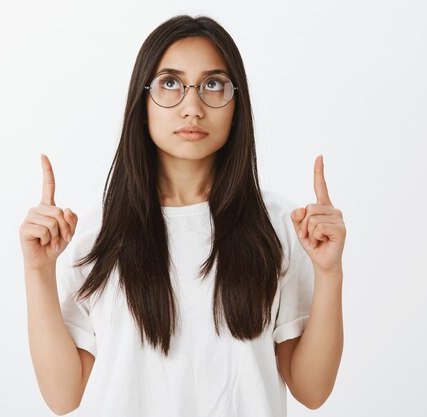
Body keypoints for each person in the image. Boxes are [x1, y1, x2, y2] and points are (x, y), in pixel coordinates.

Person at [19, 14, 346, 417]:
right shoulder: (94, 233)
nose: (192, 107)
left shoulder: (278, 225)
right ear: (142, 103)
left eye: (213, 84)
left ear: (236, 104)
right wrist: (38, 271)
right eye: (170, 83)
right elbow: (63, 396)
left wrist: (330, 273)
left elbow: (312, 390)